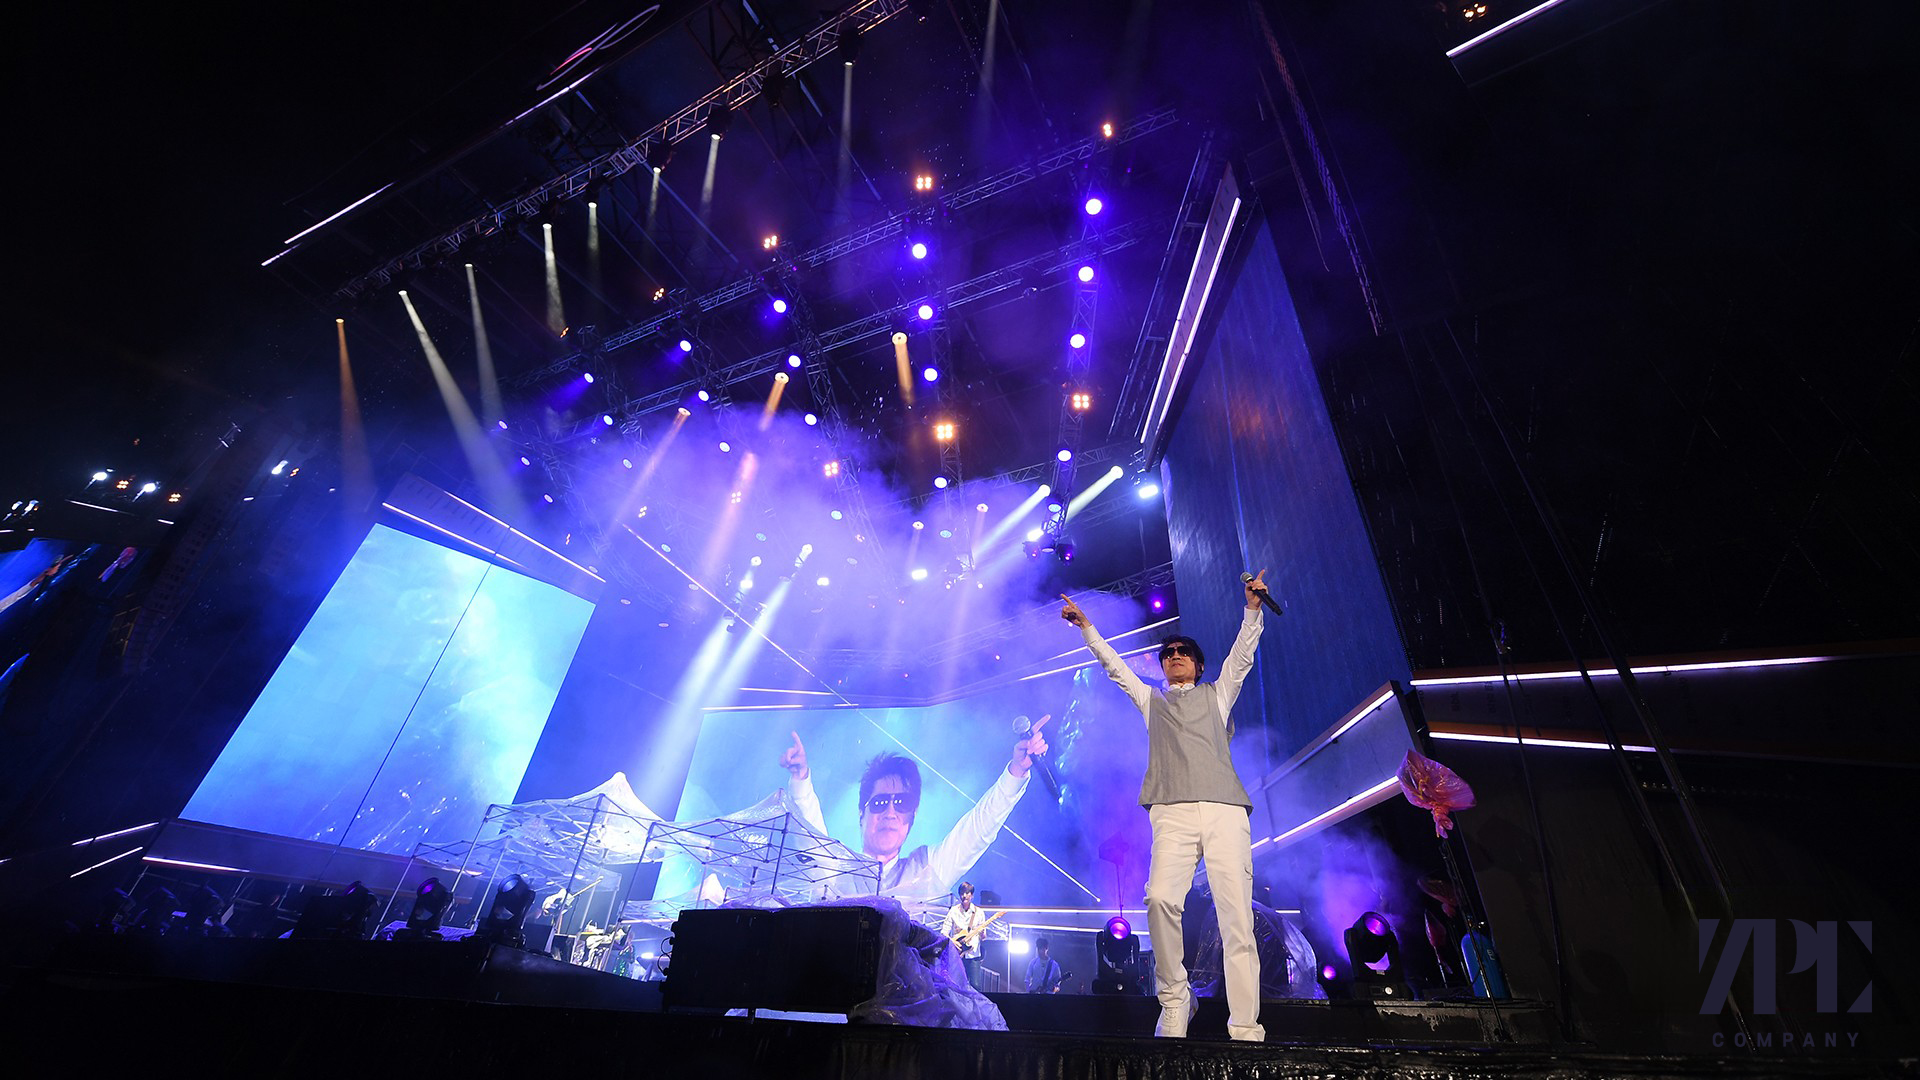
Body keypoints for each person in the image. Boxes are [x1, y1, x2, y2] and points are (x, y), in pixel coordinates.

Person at [1060, 572, 1271, 1042]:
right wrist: (1087, 628)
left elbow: (1241, 658)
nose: (1175, 656)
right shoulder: (1151, 701)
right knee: (1159, 899)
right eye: (1168, 653)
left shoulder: (1217, 695)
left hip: (1224, 810)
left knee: (1237, 918)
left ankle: (1244, 1024)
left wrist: (1252, 610)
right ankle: (1176, 1000)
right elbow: (1115, 668)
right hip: (1171, 812)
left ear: (1197, 665)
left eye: (1183, 652)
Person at [778, 717, 1050, 903]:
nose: (890, 812)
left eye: (902, 803)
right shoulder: (836, 870)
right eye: (880, 802)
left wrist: (1016, 771)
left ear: (912, 816)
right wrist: (800, 778)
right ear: (862, 813)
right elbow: (810, 838)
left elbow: (978, 830)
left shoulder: (926, 870)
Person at [942, 881, 988, 988]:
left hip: (973, 955)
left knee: (975, 985)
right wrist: (952, 942)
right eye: (962, 893)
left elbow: (983, 938)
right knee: (957, 984)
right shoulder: (953, 911)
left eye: (967, 893)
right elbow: (944, 932)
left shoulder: (979, 912)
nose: (964, 896)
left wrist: (982, 933)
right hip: (957, 954)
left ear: (972, 895)